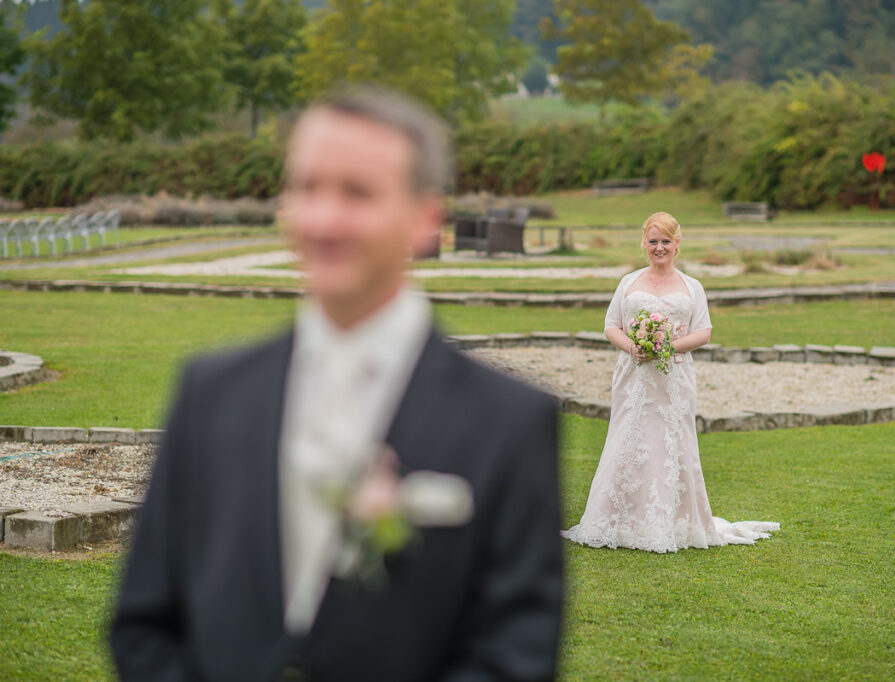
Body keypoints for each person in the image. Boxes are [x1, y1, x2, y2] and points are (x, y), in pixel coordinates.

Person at [110, 87, 564, 681]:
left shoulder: (510, 420)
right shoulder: (209, 393)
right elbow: (144, 623)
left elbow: (517, 654)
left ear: (426, 218)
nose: (324, 220)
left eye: (358, 193)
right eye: (306, 188)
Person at [561, 211, 778, 552]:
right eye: (653, 241)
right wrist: (634, 346)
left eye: (665, 241)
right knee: (627, 439)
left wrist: (665, 347)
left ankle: (670, 521)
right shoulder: (628, 282)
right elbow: (610, 324)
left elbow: (704, 332)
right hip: (633, 375)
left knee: (671, 444)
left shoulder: (692, 287)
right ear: (644, 244)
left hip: (673, 376)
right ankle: (619, 519)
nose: (659, 247)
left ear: (677, 244)